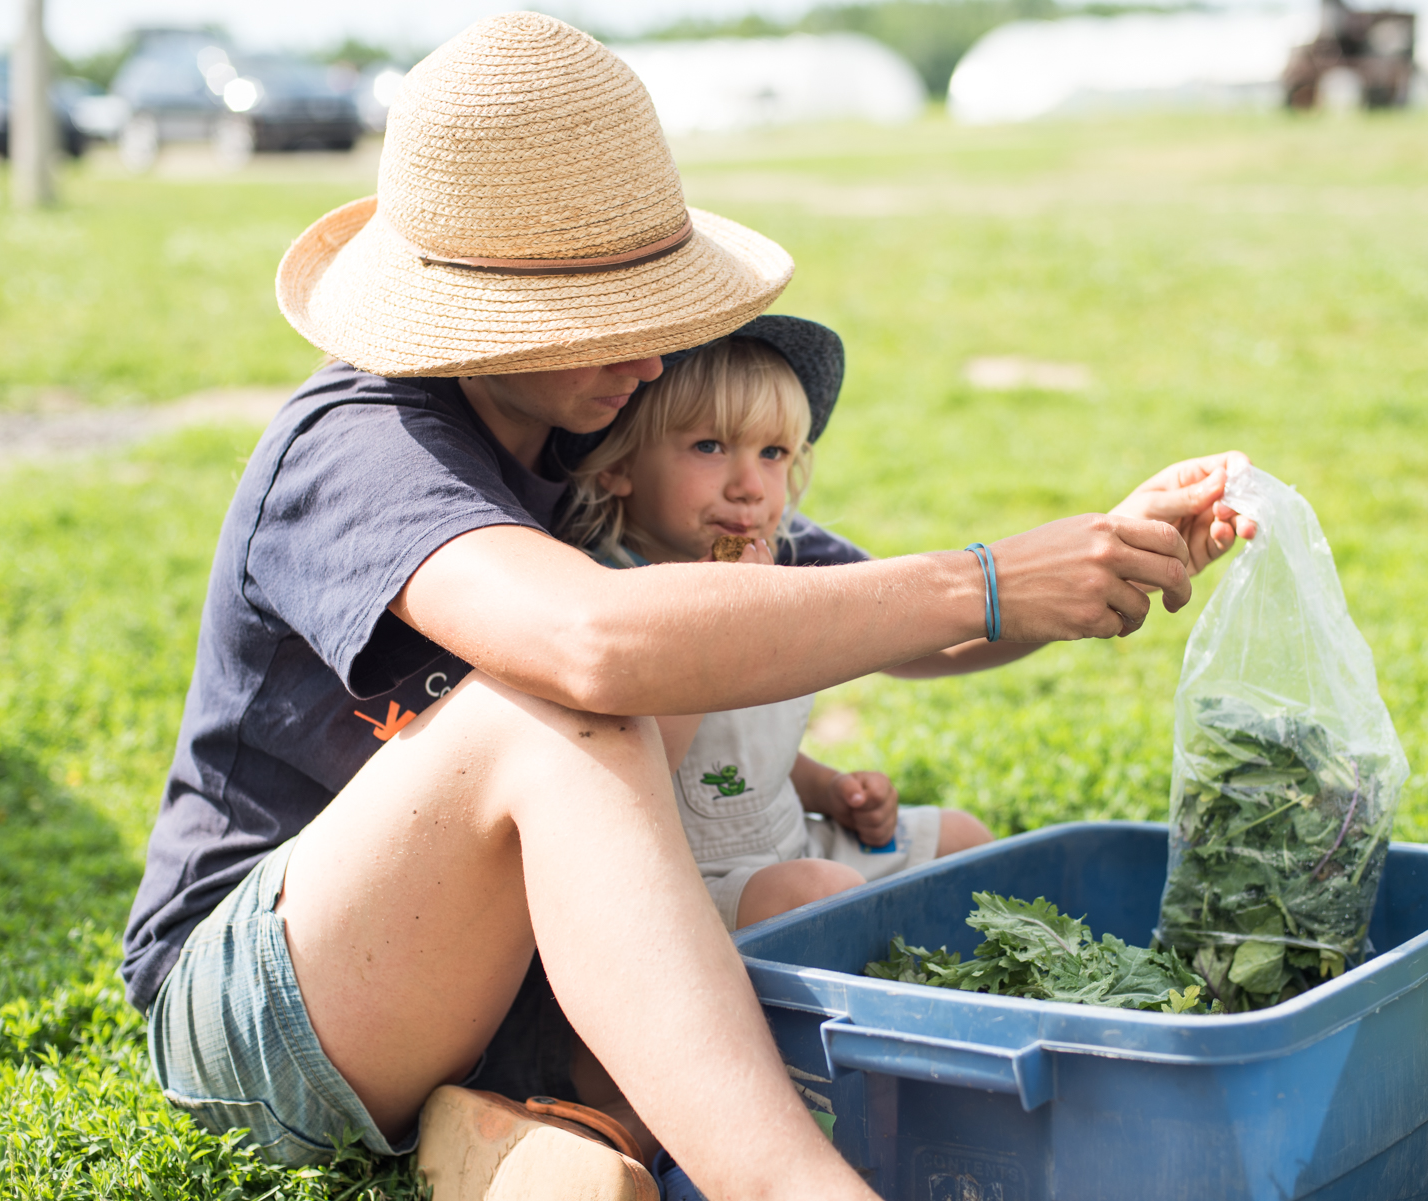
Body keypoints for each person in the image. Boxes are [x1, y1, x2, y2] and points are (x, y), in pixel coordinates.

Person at [121, 13, 1253, 1201]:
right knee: (558, 715)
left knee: (626, 721)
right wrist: (980, 572)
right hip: (263, 1008)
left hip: (476, 983)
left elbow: (821, 606)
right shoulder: (361, 443)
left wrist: (1088, 560)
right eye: (614, 310)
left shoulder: (590, 431)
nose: (656, 355)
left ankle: (539, 1126)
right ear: (478, 312)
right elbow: (595, 644)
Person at [563, 323, 995, 932]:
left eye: (773, 454)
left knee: (963, 838)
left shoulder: (776, 560)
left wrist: (825, 789)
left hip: (790, 843)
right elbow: (639, 775)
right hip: (687, 882)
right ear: (617, 465)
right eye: (709, 447)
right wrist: (715, 624)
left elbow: (737, 751)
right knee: (822, 894)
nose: (749, 487)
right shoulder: (605, 592)